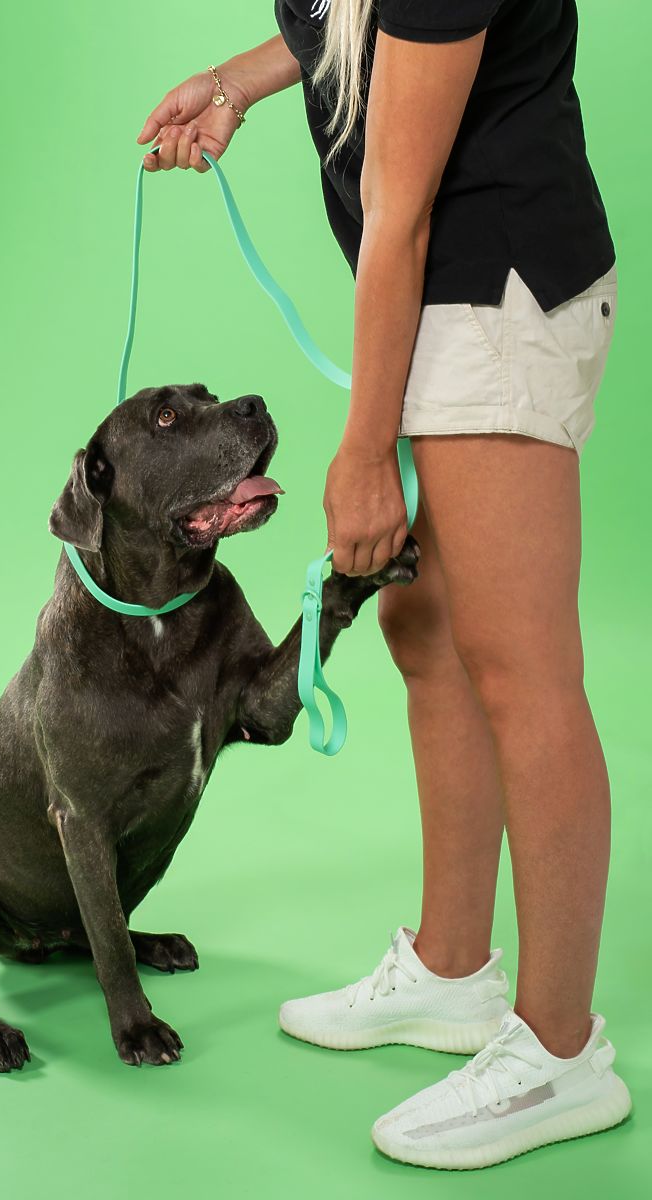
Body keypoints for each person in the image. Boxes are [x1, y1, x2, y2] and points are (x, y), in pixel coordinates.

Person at [137, 0, 630, 1170]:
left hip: (495, 293)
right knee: (427, 634)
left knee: (520, 673)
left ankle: (561, 1053)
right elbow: (347, 27)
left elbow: (397, 208)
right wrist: (234, 81)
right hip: (439, 297)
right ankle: (451, 972)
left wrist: (362, 456)